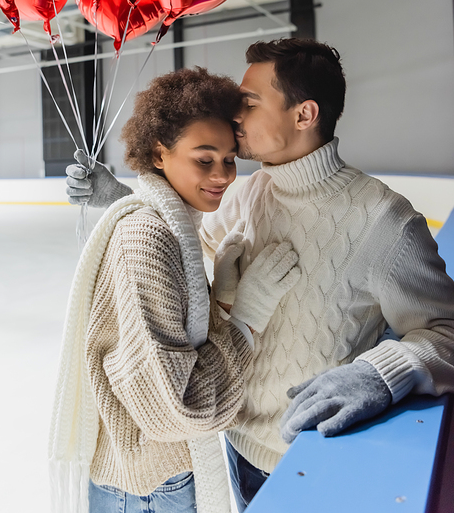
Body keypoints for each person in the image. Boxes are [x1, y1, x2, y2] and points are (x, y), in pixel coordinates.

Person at [65, 39, 454, 512]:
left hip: (308, 458)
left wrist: (379, 374)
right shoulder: (252, 191)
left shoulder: (383, 221)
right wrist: (127, 198)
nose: (235, 115)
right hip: (231, 440)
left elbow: (446, 330)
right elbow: (188, 248)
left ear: (304, 114)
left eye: (248, 104)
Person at [51, 66, 300, 513]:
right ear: (159, 154)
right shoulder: (147, 238)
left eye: (229, 159)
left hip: (154, 476)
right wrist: (244, 319)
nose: (222, 175)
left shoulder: (171, 227)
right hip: (147, 487)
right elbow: (177, 408)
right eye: (204, 159)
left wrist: (219, 299)